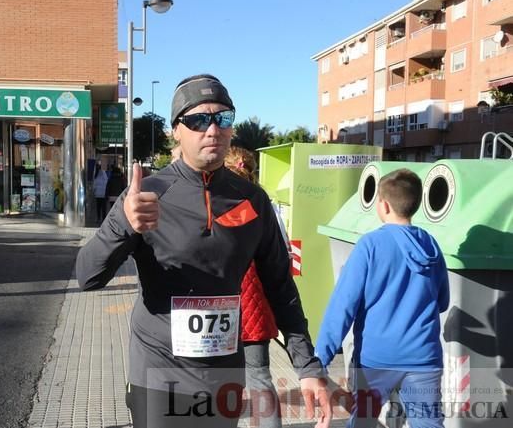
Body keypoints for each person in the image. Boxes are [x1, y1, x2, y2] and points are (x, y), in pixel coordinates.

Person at [76, 74, 331, 428]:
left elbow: (280, 286)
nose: (212, 129)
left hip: (223, 376)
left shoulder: (252, 199)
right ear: (176, 131)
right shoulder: (147, 194)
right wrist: (124, 225)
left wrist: (306, 366)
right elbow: (87, 277)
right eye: (198, 120)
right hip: (158, 371)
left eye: (223, 118)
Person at [315, 168, 449, 428]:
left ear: (384, 206)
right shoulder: (432, 245)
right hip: (424, 356)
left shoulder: (370, 245)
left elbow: (343, 306)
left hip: (375, 360)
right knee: (429, 423)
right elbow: (442, 301)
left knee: (363, 421)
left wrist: (320, 357)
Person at [224, 146, 283, 428]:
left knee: (220, 385)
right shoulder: (263, 206)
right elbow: (280, 257)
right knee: (260, 380)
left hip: (221, 311)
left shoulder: (220, 206)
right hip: (256, 309)